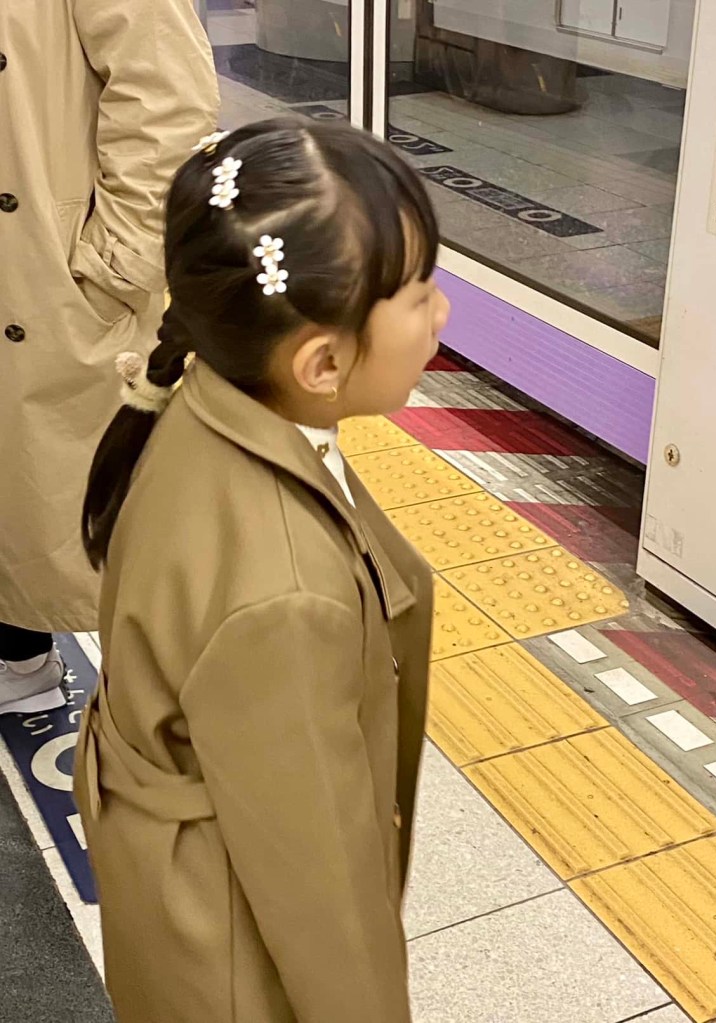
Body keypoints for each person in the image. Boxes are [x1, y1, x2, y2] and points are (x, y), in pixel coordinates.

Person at [73, 117, 450, 1022]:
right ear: (322, 362)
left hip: (176, 907)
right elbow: (327, 909)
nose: (442, 313)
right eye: (420, 293)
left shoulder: (202, 394)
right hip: (238, 970)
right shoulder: (287, 596)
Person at [0, 0, 219, 715]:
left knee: (56, 485)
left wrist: (116, 265)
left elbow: (166, 98)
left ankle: (26, 662)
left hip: (39, 269)